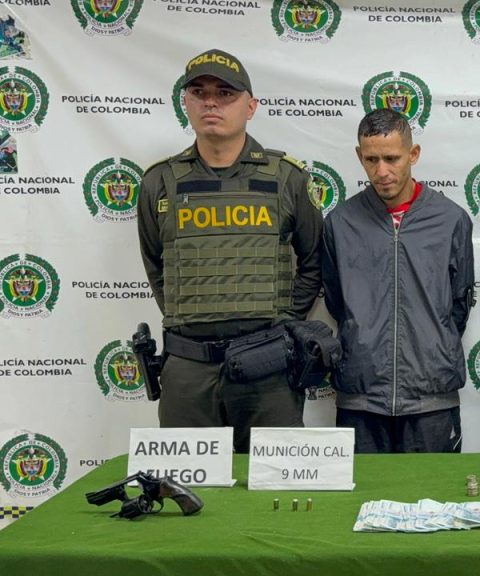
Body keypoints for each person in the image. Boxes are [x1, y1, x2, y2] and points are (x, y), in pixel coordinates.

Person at [136, 49, 323, 453]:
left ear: (250, 106)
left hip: (267, 366)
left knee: (273, 489)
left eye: (225, 93)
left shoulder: (286, 178)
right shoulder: (159, 183)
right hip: (187, 369)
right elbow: (156, 264)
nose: (211, 102)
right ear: (185, 102)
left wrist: (286, 321)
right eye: (199, 92)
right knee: (185, 495)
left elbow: (315, 261)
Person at [322, 108, 475, 453]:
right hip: (361, 398)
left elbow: (459, 304)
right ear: (359, 156)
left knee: (434, 503)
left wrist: (430, 344)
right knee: (357, 503)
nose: (382, 171)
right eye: (371, 160)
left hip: (431, 397)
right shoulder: (340, 223)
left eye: (392, 158)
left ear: (414, 154)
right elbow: (336, 301)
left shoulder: (450, 220)